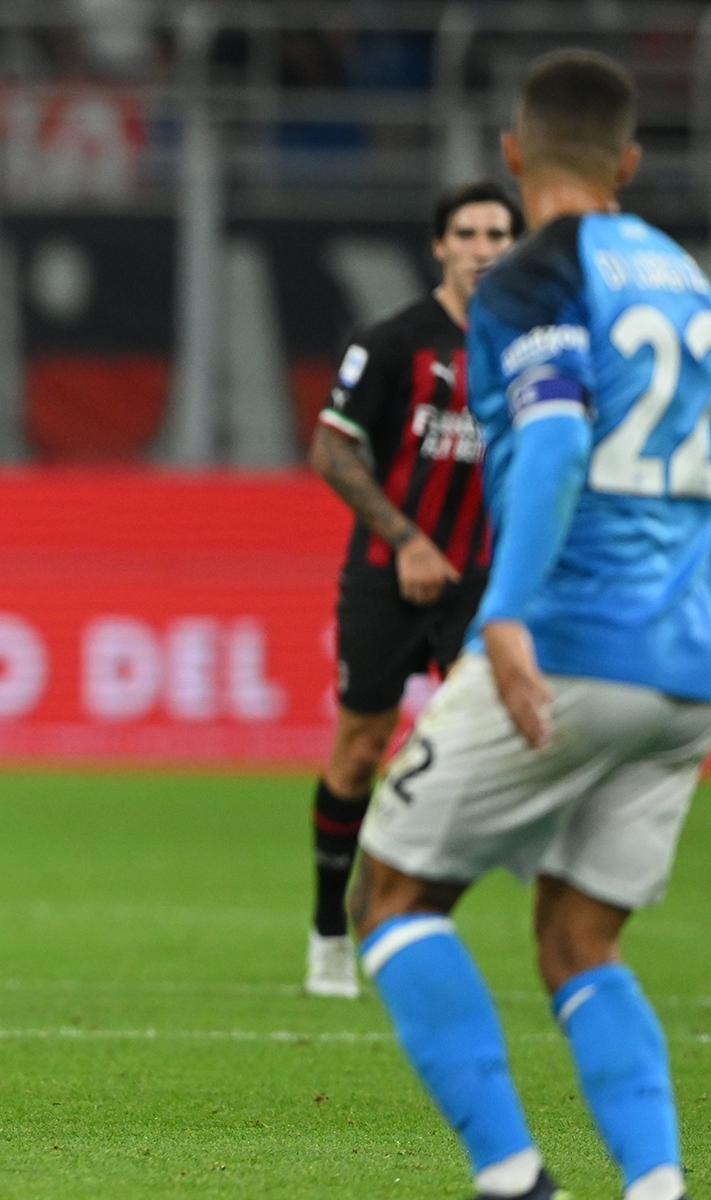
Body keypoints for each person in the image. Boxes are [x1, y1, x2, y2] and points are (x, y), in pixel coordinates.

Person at [353, 49, 707, 1200]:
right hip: (683, 664)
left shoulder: (532, 276)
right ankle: (656, 1188)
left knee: (393, 896)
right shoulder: (685, 282)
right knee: (576, 942)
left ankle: (514, 1182)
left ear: (512, 154)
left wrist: (503, 615)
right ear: (629, 161)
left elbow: (552, 440)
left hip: (570, 640)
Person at [300, 180, 521, 999]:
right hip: (386, 574)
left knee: (467, 753)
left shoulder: (532, 347)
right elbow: (332, 450)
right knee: (359, 751)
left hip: (482, 583)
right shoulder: (394, 341)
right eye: (467, 233)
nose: (482, 248)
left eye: (497, 233)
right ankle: (330, 928)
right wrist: (406, 539)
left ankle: (393, 908)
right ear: (440, 246)